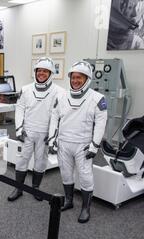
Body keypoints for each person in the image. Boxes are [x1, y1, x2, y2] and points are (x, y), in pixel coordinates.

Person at [48, 61, 108, 223]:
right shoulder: (61, 97)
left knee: (85, 176)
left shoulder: (97, 98)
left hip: (83, 145)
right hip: (64, 142)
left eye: (79, 78)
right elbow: (54, 118)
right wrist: (52, 139)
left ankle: (85, 208)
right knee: (66, 173)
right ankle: (69, 201)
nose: (75, 81)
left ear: (87, 79)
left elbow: (101, 124)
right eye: (73, 77)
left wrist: (95, 146)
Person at [7, 57, 65, 202]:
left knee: (41, 162)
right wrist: (19, 129)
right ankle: (18, 188)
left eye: (45, 71)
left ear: (51, 73)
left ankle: (35, 188)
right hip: (27, 132)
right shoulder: (26, 89)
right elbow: (19, 109)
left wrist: (53, 136)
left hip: (45, 134)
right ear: (35, 72)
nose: (41, 73)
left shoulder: (60, 91)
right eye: (39, 70)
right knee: (21, 161)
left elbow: (60, 116)